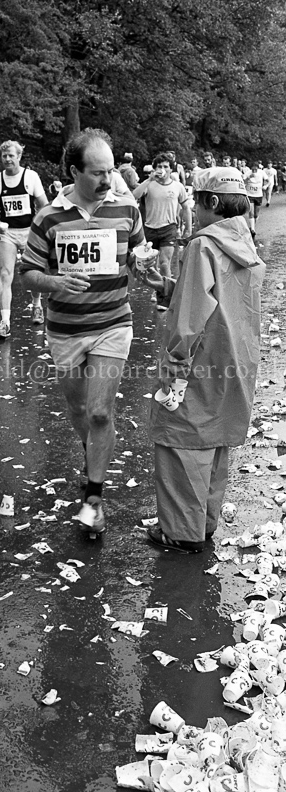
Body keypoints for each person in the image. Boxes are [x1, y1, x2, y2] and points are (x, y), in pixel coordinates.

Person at [20, 128, 147, 535]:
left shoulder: (127, 210)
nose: (108, 180)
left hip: (113, 323)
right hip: (66, 330)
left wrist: (150, 272)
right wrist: (54, 283)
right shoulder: (49, 217)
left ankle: (94, 496)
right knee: (78, 412)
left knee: (99, 411)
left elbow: (140, 258)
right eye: (97, 173)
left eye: (110, 171)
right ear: (75, 171)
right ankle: (91, 451)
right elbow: (28, 274)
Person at [143, 168, 265, 553]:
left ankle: (181, 532)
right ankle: (204, 522)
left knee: (182, 441)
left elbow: (189, 317)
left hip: (202, 359)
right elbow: (219, 298)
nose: (192, 210)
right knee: (215, 442)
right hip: (237, 359)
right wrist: (165, 286)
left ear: (212, 203)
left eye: (195, 201)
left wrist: (173, 365)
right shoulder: (244, 242)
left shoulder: (203, 245)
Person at [0, 140, 48, 337]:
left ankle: (37, 305)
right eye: (4, 156)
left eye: (11, 156)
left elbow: (44, 205)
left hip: (30, 231)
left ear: (19, 157)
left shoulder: (30, 177)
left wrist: (38, 228)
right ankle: (5, 323)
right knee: (5, 274)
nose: (7, 159)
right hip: (8, 234)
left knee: (34, 271)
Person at [132, 152, 192, 310]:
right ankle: (158, 289)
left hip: (169, 228)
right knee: (151, 265)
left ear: (171, 169)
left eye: (166, 166)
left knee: (165, 262)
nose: (162, 169)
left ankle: (166, 296)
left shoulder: (177, 186)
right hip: (150, 228)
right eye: (159, 166)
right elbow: (133, 197)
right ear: (154, 168)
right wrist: (148, 180)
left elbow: (186, 207)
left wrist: (188, 228)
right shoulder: (150, 185)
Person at [243, 161, 267, 237]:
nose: (254, 171)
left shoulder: (262, 172)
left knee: (256, 215)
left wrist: (265, 186)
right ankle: (253, 229)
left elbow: (268, 180)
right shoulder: (248, 173)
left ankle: (253, 226)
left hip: (259, 195)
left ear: (258, 168)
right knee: (251, 212)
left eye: (255, 169)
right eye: (252, 169)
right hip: (250, 195)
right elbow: (243, 181)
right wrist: (249, 177)